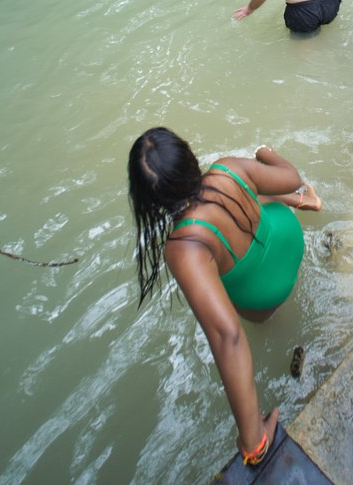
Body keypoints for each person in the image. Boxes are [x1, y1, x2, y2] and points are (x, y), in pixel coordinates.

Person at [129, 129, 322, 465]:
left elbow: (227, 336)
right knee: (252, 200)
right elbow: (291, 177)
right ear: (189, 158)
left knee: (222, 296)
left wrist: (253, 443)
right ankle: (303, 203)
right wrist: (266, 152)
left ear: (148, 200)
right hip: (290, 241)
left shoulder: (182, 248)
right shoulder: (227, 168)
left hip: (266, 299)